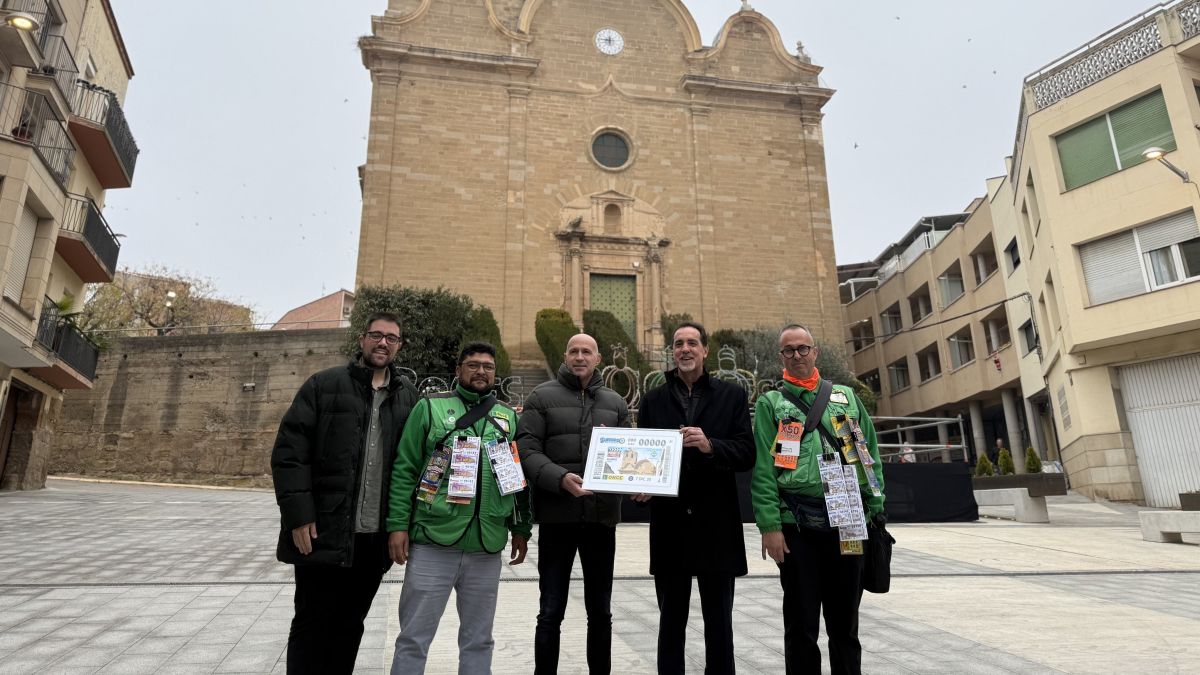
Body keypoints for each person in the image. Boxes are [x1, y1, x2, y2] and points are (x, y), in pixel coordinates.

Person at [271, 312, 418, 674]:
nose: (383, 343)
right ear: (362, 339)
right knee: (310, 624)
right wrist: (299, 516)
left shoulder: (409, 398)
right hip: (321, 531)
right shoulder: (323, 385)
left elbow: (415, 465)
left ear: (398, 346)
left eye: (391, 338)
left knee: (350, 626)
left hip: (372, 538)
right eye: (376, 335)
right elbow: (289, 454)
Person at [386, 342, 531, 674]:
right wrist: (397, 525)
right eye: (473, 365)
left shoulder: (507, 417)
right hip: (433, 541)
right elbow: (405, 468)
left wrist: (521, 529)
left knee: (479, 640)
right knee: (413, 638)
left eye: (488, 367)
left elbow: (517, 478)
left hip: (486, 544)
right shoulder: (430, 408)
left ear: (496, 373)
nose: (481, 371)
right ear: (458, 371)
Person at [751, 324, 885, 675]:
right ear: (780, 356)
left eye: (803, 348)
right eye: (789, 350)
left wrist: (875, 506)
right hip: (797, 525)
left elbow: (868, 451)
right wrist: (769, 525)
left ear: (816, 352)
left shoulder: (845, 397)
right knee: (801, 624)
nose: (797, 355)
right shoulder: (772, 404)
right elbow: (764, 468)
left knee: (845, 625)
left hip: (850, 522)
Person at [634, 322, 755, 675]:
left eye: (692, 343)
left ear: (705, 351)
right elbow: (645, 458)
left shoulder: (732, 395)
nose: (684, 349)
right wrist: (642, 486)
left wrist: (710, 445)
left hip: (716, 527)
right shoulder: (653, 400)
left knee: (719, 626)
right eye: (678, 344)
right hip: (670, 528)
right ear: (672, 353)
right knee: (670, 624)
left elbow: (747, 453)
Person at [517, 333, 630, 674]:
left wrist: (640, 482)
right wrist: (559, 478)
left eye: (587, 352)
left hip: (600, 520)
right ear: (565, 356)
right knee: (550, 611)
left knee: (601, 612)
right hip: (557, 518)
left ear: (599, 359)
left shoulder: (616, 402)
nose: (580, 357)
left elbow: (628, 457)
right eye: (574, 351)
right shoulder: (541, 397)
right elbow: (526, 448)